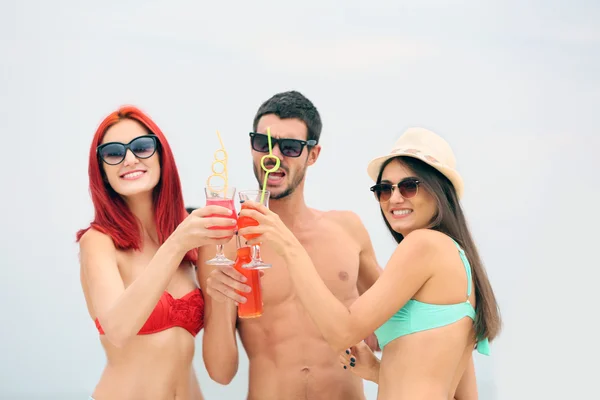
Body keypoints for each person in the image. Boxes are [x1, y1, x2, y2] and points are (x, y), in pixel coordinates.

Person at [237, 127, 502, 400]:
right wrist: (378, 371)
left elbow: (343, 332)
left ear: (438, 191)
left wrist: (288, 246)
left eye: (409, 186)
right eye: (384, 189)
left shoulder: (423, 244)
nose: (395, 198)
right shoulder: (456, 257)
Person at [197, 91, 382, 399]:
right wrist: (219, 300)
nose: (275, 156)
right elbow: (221, 372)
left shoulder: (347, 229)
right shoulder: (225, 244)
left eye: (291, 147)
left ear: (313, 154)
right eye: (263, 144)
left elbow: (394, 325)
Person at [76, 105, 236, 400]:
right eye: (113, 153)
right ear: (102, 171)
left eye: (142, 147)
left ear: (161, 155)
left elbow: (223, 373)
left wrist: (224, 295)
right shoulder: (99, 242)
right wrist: (175, 245)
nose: (130, 159)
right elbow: (118, 329)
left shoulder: (195, 240)